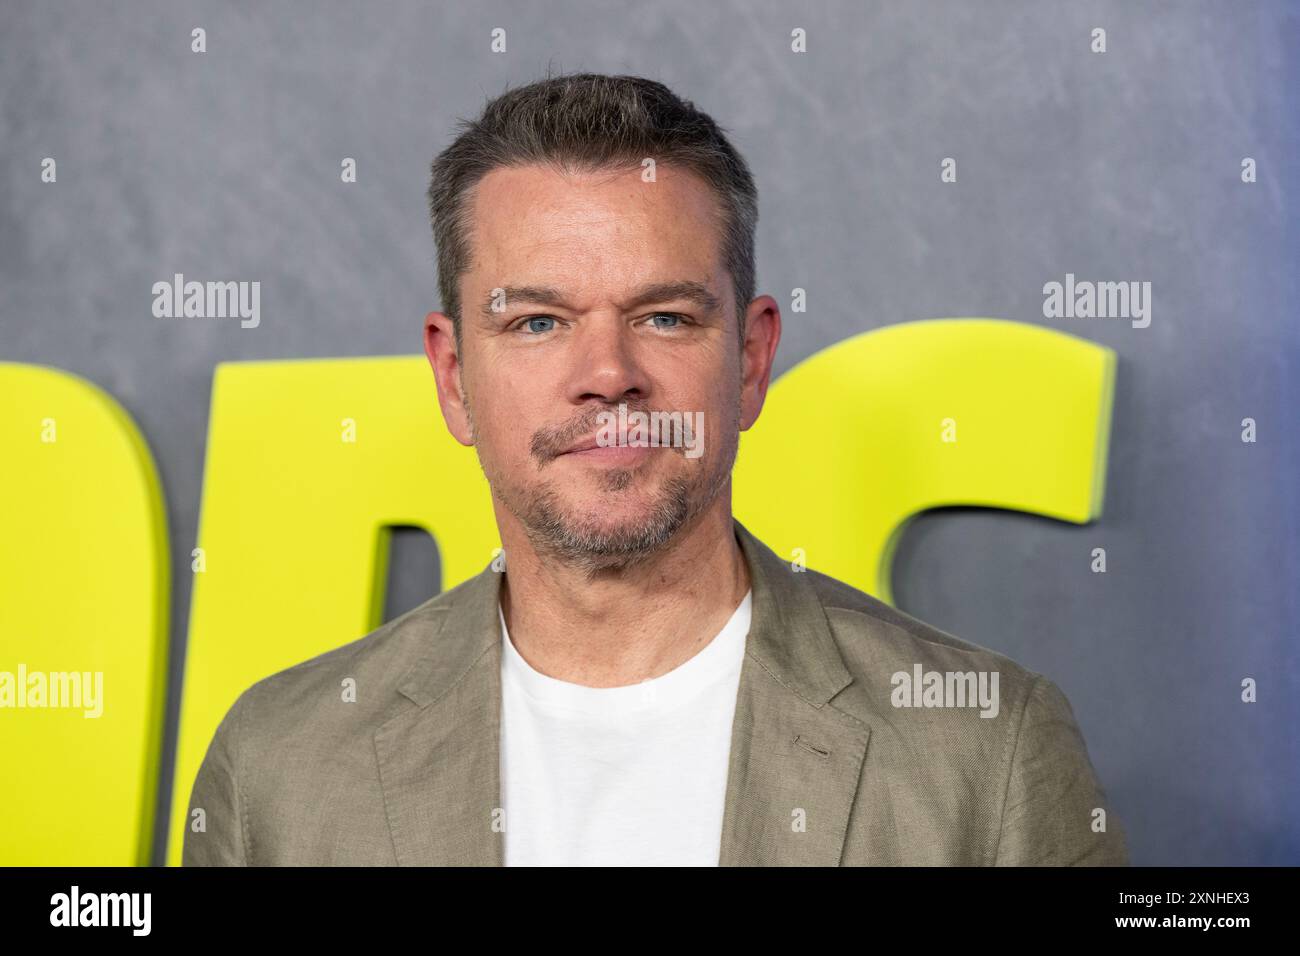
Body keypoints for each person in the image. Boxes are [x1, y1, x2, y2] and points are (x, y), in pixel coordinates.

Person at [184, 72, 1127, 866]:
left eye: (666, 317)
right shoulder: (279, 766)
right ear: (454, 375)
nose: (608, 377)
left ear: (751, 361)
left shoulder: (987, 751)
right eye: (537, 323)